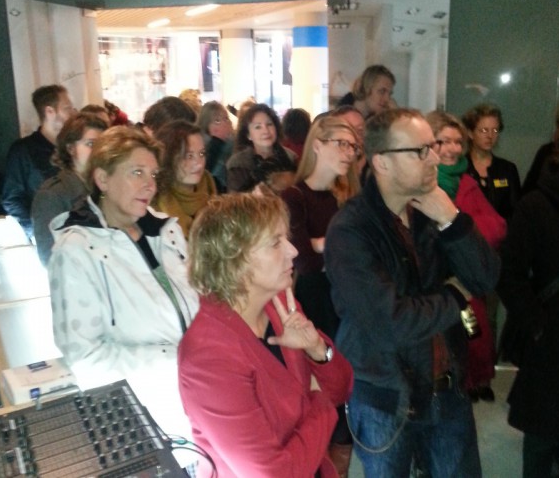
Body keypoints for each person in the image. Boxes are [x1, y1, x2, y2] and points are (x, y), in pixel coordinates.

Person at [325, 108, 500, 477]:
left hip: (447, 387)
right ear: (382, 162)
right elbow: (391, 322)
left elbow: (485, 277)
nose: (435, 157)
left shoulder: (432, 210)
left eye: (432, 147)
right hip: (386, 398)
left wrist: (452, 220)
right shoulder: (350, 230)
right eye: (421, 150)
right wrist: (454, 297)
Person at [48, 126, 199, 468]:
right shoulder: (76, 251)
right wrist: (179, 359)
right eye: (137, 173)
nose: (150, 185)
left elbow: (194, 305)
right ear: (102, 178)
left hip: (200, 402)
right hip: (145, 422)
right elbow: (87, 359)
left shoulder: (166, 230)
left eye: (153, 175)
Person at [178, 193, 353, 477]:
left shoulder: (279, 303)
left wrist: (317, 349)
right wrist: (320, 405)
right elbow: (274, 474)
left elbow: (342, 387)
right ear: (234, 259)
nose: (293, 251)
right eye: (275, 243)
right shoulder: (209, 355)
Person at [497, 132, 559, 478]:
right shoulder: (538, 206)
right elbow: (509, 272)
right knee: (542, 440)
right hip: (553, 343)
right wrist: (537, 324)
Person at [281, 116, 360, 477]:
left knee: (345, 394)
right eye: (340, 143)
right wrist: (337, 243)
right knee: (319, 395)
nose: (349, 152)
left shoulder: (348, 197)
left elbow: (360, 254)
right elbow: (306, 262)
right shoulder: (293, 197)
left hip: (346, 302)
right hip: (314, 305)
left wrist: (321, 242)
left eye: (352, 146)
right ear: (317, 144)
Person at [427, 110, 507, 402]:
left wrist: (459, 228)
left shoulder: (466, 182)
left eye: (457, 141)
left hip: (465, 277)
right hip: (430, 282)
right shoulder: (419, 181)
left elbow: (496, 226)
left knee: (474, 339)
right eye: (443, 141)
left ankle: (471, 383)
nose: (452, 149)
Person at [31, 112, 108, 265]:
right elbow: (51, 258)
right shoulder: (52, 195)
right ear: (71, 148)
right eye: (90, 144)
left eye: (103, 145)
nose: (98, 151)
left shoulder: (105, 188)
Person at [2, 84, 76, 239]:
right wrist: (37, 233)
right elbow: (12, 199)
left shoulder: (74, 147)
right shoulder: (23, 150)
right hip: (48, 235)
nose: (73, 113)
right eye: (67, 108)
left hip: (81, 233)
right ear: (50, 111)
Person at [153, 120, 217, 238]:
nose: (199, 163)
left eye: (202, 154)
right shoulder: (154, 205)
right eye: (189, 156)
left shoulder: (210, 185)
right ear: (168, 158)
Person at [462, 103, 521, 222]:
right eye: (484, 130)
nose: (490, 136)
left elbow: (516, 211)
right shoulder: (460, 167)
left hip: (502, 231)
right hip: (467, 231)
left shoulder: (507, 169)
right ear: (470, 133)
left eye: (495, 130)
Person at [226, 103, 297, 193]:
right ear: (248, 135)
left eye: (269, 124)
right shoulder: (238, 164)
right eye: (258, 127)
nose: (265, 131)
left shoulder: (290, 158)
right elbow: (233, 199)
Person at [197, 101, 234, 193]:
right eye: (217, 121)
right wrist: (217, 141)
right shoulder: (202, 146)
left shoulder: (233, 143)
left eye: (226, 119)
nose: (224, 123)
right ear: (206, 125)